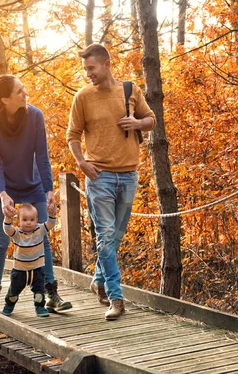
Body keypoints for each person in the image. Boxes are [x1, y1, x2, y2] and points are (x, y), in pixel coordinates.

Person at [66, 44, 156, 320]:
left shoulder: (129, 90)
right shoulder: (83, 97)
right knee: (105, 237)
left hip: (129, 174)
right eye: (85, 70)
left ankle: (98, 280)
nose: (88, 74)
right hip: (99, 177)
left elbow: (151, 119)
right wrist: (81, 162)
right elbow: (72, 135)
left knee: (114, 238)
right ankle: (116, 298)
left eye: (91, 68)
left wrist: (138, 124)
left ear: (106, 64)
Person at [0, 74, 72, 314]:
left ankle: (51, 293)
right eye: (19, 91)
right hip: (4, 187)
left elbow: (42, 156)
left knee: (43, 237)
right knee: (1, 239)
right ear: (4, 99)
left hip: (33, 184)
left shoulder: (35, 116)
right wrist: (2, 194)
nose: (25, 93)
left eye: (24, 89)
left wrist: (48, 189)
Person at [2, 203, 57, 317]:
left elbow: (50, 224)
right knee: (14, 291)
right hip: (20, 270)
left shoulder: (40, 230)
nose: (28, 222)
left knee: (39, 291)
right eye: (25, 219)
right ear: (19, 221)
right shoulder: (17, 233)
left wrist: (52, 215)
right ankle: (9, 305)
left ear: (36, 220)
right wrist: (8, 219)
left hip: (37, 268)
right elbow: (7, 229)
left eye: (32, 219)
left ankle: (40, 307)